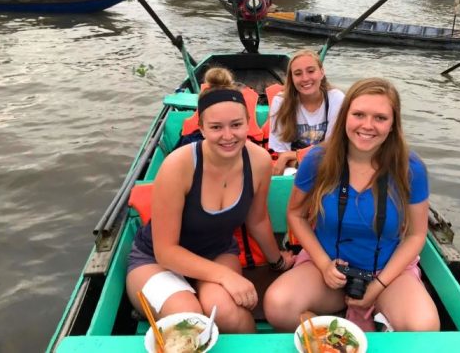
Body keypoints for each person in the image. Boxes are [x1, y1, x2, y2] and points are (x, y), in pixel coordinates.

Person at [263, 78, 439, 332]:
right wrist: (324, 265)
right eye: (359, 114)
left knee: (423, 327)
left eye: (380, 118)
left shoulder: (410, 168)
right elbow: (296, 214)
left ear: (393, 124)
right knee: (278, 306)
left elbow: (416, 234)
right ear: (345, 116)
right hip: (328, 269)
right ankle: (343, 337)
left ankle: (369, 318)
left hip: (387, 273)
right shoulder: (318, 159)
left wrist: (378, 285)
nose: (368, 126)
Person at [126, 68, 294, 333]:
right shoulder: (177, 166)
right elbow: (166, 251)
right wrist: (226, 277)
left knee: (228, 314)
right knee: (189, 320)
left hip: (217, 252)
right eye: (216, 127)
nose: (228, 136)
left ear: (247, 122)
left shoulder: (259, 161)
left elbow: (258, 219)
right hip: (155, 260)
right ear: (201, 128)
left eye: (236, 125)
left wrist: (278, 261)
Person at [268, 50, 344, 176]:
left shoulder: (336, 98)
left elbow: (333, 148)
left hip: (327, 164)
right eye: (298, 74)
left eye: (311, 71)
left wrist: (290, 156)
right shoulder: (280, 101)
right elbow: (282, 152)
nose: (305, 78)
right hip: (294, 166)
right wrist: (293, 160)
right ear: (291, 78)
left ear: (322, 72)